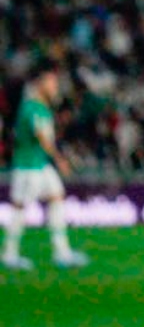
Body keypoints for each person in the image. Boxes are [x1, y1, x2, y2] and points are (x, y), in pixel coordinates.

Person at [3, 65, 87, 271]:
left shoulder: (39, 107)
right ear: (40, 85)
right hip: (28, 166)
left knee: (57, 196)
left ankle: (62, 253)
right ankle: (9, 254)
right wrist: (60, 159)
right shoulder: (33, 108)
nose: (55, 87)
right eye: (51, 83)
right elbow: (42, 137)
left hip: (40, 164)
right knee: (20, 207)